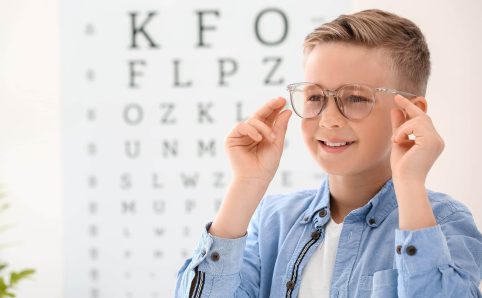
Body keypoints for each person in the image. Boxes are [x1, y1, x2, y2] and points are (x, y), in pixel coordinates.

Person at [174, 9, 482, 298]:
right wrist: (246, 183)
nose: (329, 118)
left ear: (410, 112)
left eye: (356, 98)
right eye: (316, 96)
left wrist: (411, 183)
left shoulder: (444, 221)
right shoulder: (274, 221)